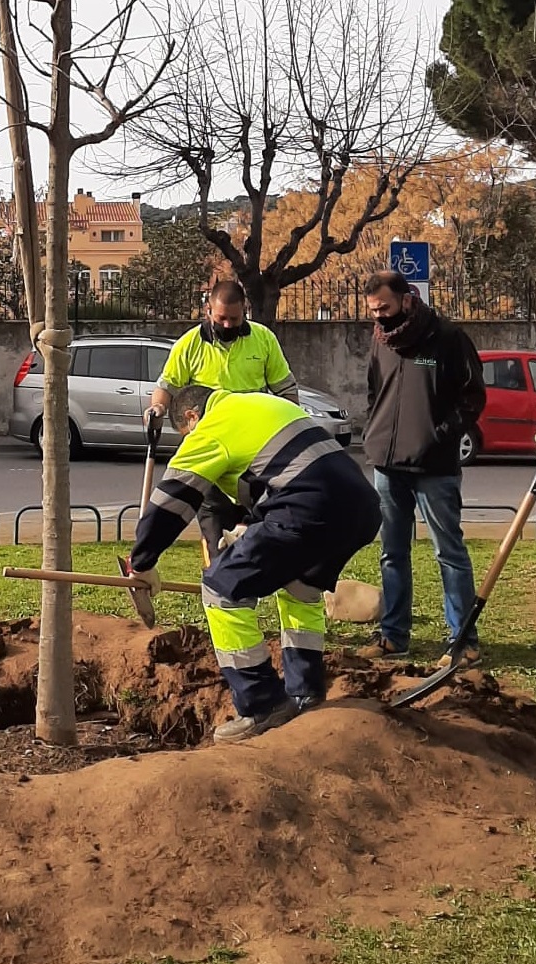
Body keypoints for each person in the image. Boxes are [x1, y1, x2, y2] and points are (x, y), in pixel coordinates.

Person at [125, 385, 381, 743]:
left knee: (221, 589)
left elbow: (173, 497)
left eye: (185, 436)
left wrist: (142, 561)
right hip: (361, 508)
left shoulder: (214, 425)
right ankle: (305, 693)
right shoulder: (264, 406)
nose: (187, 442)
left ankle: (262, 705)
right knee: (300, 590)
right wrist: (248, 527)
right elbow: (282, 472)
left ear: (190, 418)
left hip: (307, 509)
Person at [357, 270, 486, 668]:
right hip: (387, 465)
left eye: (386, 309)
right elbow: (374, 391)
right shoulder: (380, 342)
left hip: (435, 467)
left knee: (449, 552)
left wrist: (439, 435)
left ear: (408, 300)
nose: (380, 318)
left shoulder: (448, 339)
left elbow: (474, 398)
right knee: (391, 554)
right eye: (374, 312)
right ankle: (394, 637)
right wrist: (374, 433)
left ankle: (463, 641)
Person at [145, 281, 300, 557]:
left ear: (246, 311)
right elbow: (166, 386)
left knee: (258, 540)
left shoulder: (263, 339)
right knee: (216, 537)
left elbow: (286, 390)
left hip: (254, 455)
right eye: (221, 318)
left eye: (235, 319)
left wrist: (289, 432)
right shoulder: (189, 344)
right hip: (211, 454)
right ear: (208, 311)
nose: (228, 325)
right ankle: (217, 576)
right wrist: (157, 408)